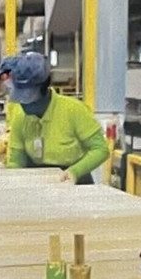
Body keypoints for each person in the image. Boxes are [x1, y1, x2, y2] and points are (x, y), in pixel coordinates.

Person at [6, 52, 108, 184]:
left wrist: (74, 172)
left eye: (30, 99)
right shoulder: (20, 113)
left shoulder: (73, 109)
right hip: (36, 180)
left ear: (44, 89)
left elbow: (100, 149)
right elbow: (16, 160)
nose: (25, 105)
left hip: (73, 180)